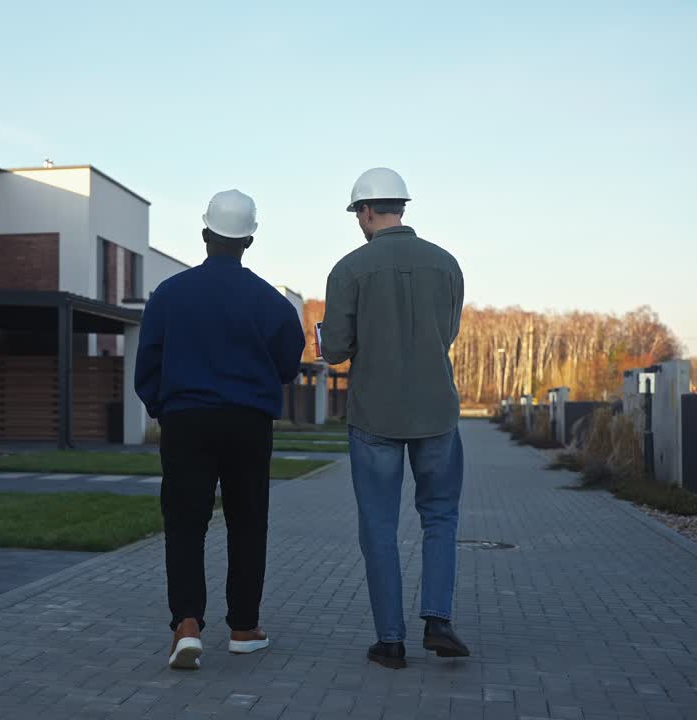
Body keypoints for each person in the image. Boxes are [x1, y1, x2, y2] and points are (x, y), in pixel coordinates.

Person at [135, 189, 305, 670]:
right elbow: (288, 363)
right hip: (248, 422)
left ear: (205, 233)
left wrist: (162, 408)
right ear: (249, 240)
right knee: (247, 522)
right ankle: (244, 628)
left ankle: (186, 625)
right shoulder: (272, 303)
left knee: (185, 523)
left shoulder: (169, 294)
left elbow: (148, 362)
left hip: (186, 420)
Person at [319, 168, 469, 670]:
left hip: (375, 415)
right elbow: (446, 333)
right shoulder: (447, 264)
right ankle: (438, 620)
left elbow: (335, 350)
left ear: (365, 211)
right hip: (437, 410)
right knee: (440, 517)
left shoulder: (349, 269)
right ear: (401, 207)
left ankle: (390, 642)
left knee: (379, 526)